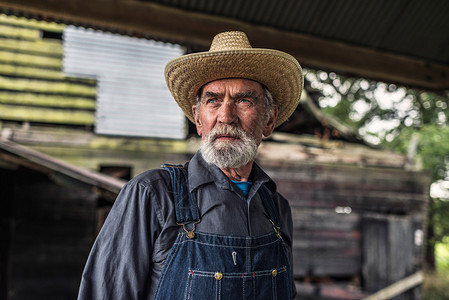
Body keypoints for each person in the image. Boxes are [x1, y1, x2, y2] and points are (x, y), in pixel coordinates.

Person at [78, 31, 303, 299]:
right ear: (198, 119)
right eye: (213, 100)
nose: (226, 116)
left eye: (244, 100)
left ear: (269, 119)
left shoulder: (277, 208)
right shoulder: (151, 195)